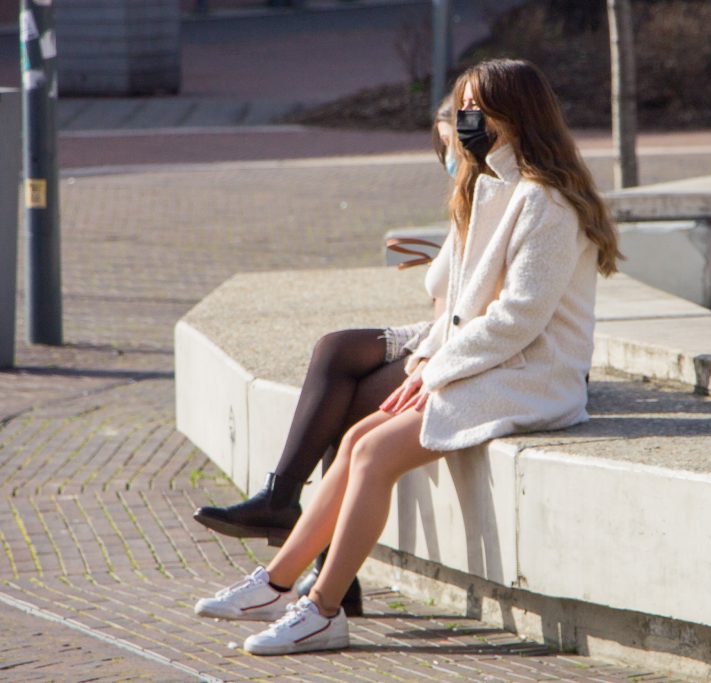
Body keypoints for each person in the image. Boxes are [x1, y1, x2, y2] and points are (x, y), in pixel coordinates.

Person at [193, 58, 620, 656]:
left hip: (534, 376)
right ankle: (276, 583)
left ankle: (323, 610)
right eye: (461, 109)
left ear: (514, 116)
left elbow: (518, 319)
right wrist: (426, 361)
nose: (463, 121)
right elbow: (460, 306)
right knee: (357, 439)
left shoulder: (545, 203)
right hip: (493, 365)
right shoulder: (490, 186)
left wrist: (435, 369)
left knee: (373, 452)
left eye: (474, 110)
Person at [191, 96, 456, 614]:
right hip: (438, 334)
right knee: (334, 349)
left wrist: (430, 355)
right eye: (442, 147)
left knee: (349, 401)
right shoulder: (470, 196)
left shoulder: (499, 198)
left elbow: (479, 312)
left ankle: (320, 567)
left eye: (454, 146)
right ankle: (284, 502)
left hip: (452, 344)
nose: (450, 157)